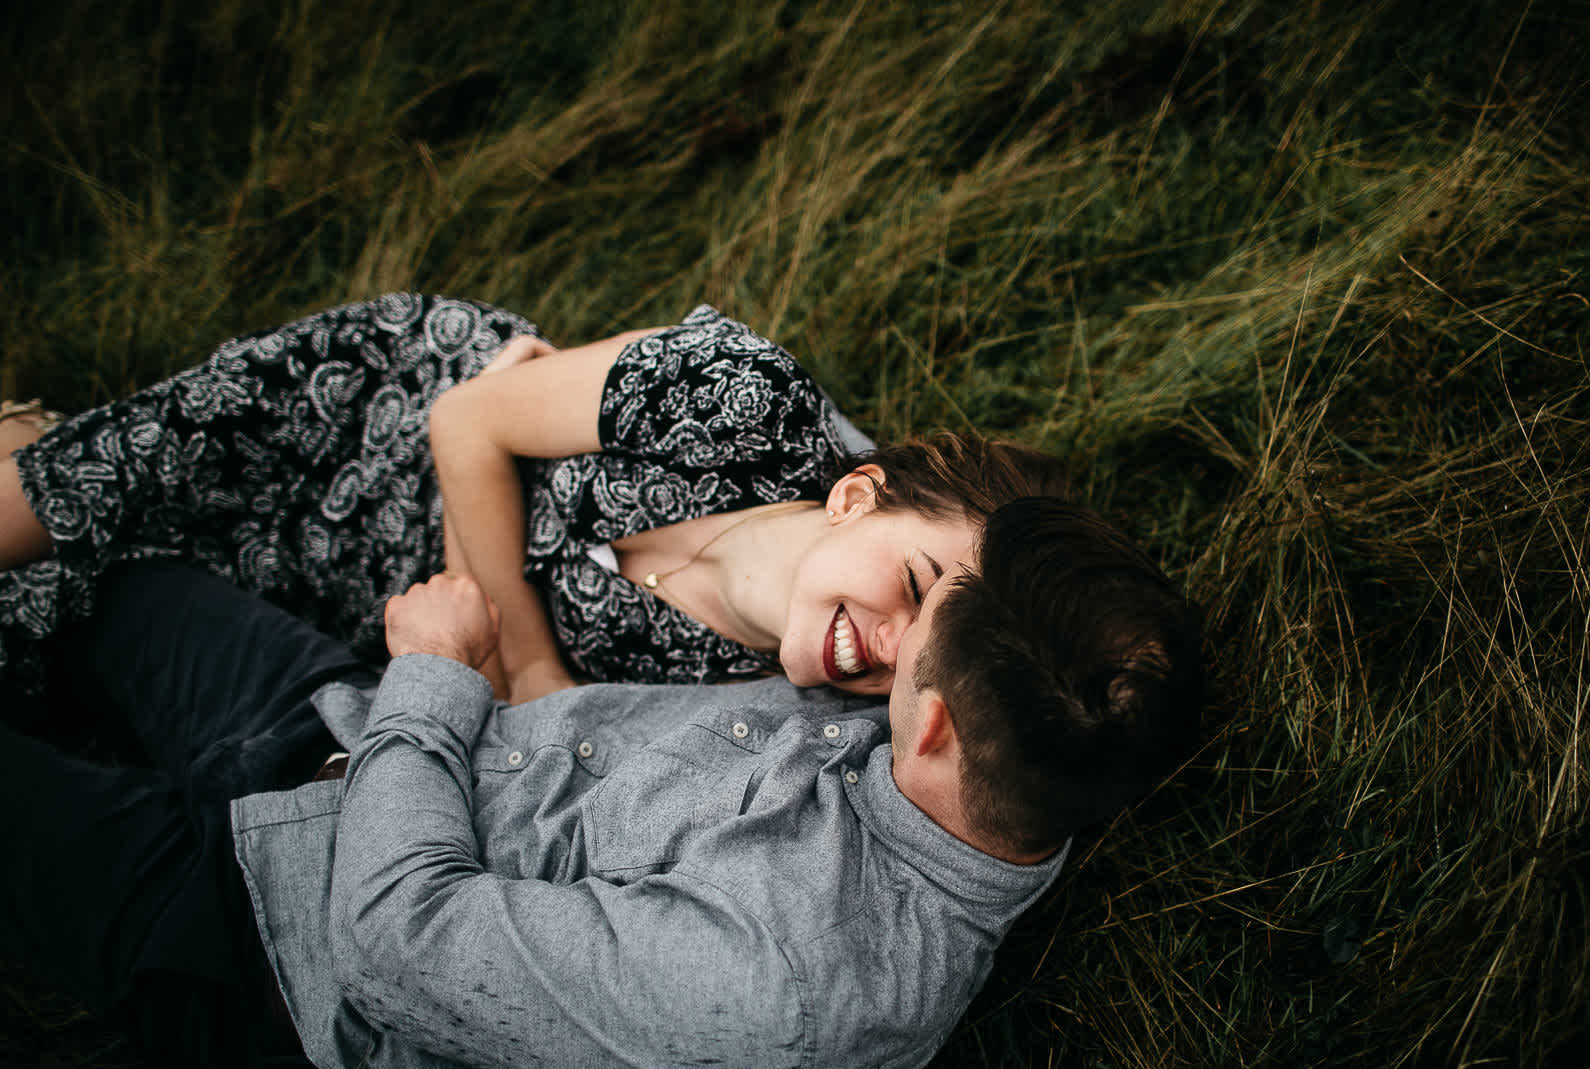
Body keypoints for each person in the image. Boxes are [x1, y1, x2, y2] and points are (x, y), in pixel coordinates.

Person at [0, 496, 1192, 1069]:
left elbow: (390, 938)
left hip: (250, 930)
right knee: (110, 565)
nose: (889, 637)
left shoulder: (774, 998)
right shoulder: (1006, 750)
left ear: (931, 727)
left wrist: (432, 675)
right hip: (345, 720)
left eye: (924, 619)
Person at [0, 296, 1067, 699]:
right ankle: (38, 448)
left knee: (73, 618)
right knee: (89, 485)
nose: (893, 646)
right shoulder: (743, 400)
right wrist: (530, 665)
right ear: (857, 495)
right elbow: (468, 421)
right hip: (380, 405)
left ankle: (27, 427)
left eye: (931, 651)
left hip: (382, 591)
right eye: (913, 584)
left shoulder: (761, 705)